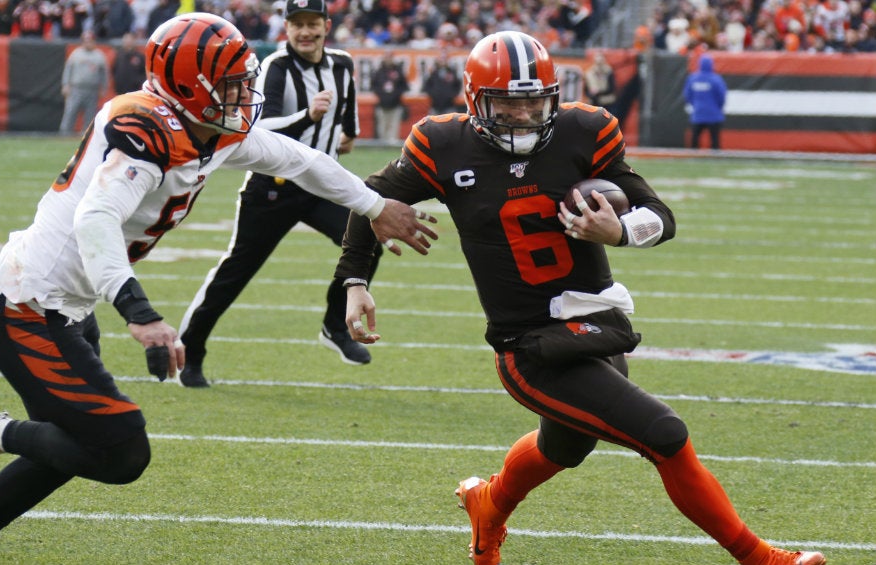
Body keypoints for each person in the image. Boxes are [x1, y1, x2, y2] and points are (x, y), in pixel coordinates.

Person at [0, 13, 435, 565]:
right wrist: (140, 313)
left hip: (67, 303)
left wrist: (375, 206)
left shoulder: (210, 126)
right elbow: (94, 220)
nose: (245, 93)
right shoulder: (146, 129)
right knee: (119, 450)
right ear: (191, 86)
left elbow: (301, 160)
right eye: (232, 83)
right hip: (28, 304)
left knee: (73, 443)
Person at [334, 31, 826, 565]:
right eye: (507, 104)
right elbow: (371, 201)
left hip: (596, 321)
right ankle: (762, 559)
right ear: (476, 101)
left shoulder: (583, 130)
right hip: (528, 344)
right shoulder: (443, 144)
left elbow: (660, 216)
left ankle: (487, 504)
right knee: (665, 434)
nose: (522, 116)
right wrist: (355, 282)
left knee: (564, 447)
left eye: (533, 102)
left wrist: (619, 231)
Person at [177, 0, 380, 388]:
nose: (305, 31)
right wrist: (308, 117)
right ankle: (191, 350)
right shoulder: (277, 67)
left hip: (321, 186)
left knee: (366, 240)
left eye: (312, 23)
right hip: (273, 187)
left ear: (327, 25)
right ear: (285, 29)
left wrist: (333, 141)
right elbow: (258, 129)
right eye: (297, 24)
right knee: (235, 273)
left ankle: (334, 326)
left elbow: (349, 133)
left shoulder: (342, 65)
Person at [58, 29, 109, 135]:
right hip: (76, 88)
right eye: (85, 40)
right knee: (70, 111)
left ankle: (87, 136)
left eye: (90, 40)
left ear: (94, 41)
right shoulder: (76, 54)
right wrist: (65, 85)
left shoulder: (99, 55)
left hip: (92, 89)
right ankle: (64, 133)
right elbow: (68, 70)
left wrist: (103, 88)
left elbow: (104, 74)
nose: (87, 43)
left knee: (90, 115)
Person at [684, 53, 727, 150]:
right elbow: (722, 96)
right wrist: (718, 107)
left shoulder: (693, 79)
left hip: (698, 114)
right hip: (714, 114)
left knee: (695, 139)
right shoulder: (716, 79)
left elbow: (687, 95)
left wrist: (695, 105)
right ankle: (715, 158)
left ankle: (693, 158)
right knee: (715, 140)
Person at [370, 49, 409, 142]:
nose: (388, 59)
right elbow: (374, 86)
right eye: (386, 57)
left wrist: (395, 95)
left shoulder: (398, 71)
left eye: (390, 57)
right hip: (382, 104)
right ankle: (383, 147)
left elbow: (404, 86)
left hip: (396, 104)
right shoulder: (379, 71)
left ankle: (392, 148)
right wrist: (382, 95)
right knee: (382, 128)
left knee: (394, 129)